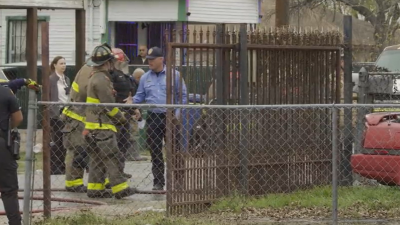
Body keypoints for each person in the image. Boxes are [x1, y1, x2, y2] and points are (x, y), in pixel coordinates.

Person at [84, 44, 136, 199]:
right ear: (107, 63)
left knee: (97, 159)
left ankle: (95, 189)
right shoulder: (102, 79)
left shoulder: (95, 76)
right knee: (112, 156)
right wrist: (122, 118)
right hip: (102, 127)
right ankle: (120, 189)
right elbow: (109, 106)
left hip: (93, 127)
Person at [133, 46, 187, 191]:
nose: (149, 62)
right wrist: (132, 102)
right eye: (148, 59)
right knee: (155, 150)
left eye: (152, 59)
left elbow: (182, 96)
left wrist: (177, 114)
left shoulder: (174, 75)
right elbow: (140, 96)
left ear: (161, 59)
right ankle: (158, 182)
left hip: (170, 116)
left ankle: (178, 181)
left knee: (175, 150)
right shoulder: (145, 77)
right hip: (153, 116)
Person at [110, 48, 146, 179]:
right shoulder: (112, 75)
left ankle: (120, 170)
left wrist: (135, 109)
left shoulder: (125, 76)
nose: (125, 62)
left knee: (124, 144)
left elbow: (130, 94)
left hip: (125, 115)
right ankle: (113, 173)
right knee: (116, 145)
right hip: (115, 115)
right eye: (123, 59)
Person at [61, 64, 92, 193]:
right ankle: (73, 184)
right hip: (76, 119)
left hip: (81, 118)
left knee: (82, 152)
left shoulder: (89, 69)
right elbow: (87, 91)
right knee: (77, 151)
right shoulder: (88, 70)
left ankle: (76, 183)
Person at [0, 85, 23, 225]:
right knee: (8, 190)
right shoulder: (5, 92)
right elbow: (18, 118)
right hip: (1, 144)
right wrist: (7, 130)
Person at [49, 56, 70, 175]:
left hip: (65, 111)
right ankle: (54, 166)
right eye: (61, 63)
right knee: (56, 140)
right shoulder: (52, 79)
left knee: (64, 141)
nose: (63, 65)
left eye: (65, 63)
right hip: (56, 114)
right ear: (55, 65)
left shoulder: (66, 79)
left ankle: (62, 165)